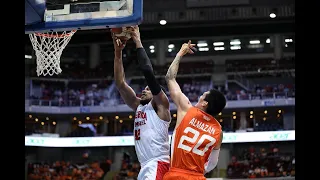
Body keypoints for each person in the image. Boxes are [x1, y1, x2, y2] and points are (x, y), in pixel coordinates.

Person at [112, 26, 171, 180]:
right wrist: (118, 52)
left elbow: (148, 72)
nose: (144, 90)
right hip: (145, 165)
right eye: (144, 88)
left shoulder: (161, 106)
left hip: (158, 164)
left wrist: (137, 40)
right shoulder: (139, 106)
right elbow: (120, 84)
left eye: (148, 89)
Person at [163, 41, 226, 180]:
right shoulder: (218, 131)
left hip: (176, 174)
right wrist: (197, 172)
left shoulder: (187, 109)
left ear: (204, 103)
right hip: (197, 176)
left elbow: (170, 77)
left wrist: (180, 52)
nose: (199, 97)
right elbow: (213, 163)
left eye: (202, 96)